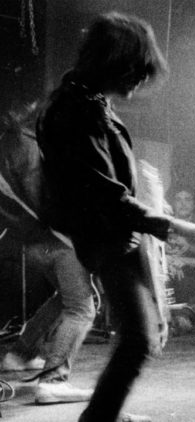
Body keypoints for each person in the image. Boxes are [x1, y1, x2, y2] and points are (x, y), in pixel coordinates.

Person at [36, 12, 195, 422]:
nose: (139, 80)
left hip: (119, 237)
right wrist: (178, 226)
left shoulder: (88, 101)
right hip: (107, 239)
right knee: (137, 340)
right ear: (114, 62)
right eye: (136, 69)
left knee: (143, 335)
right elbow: (105, 195)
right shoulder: (75, 111)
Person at [0, 105, 95, 405]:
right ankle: (54, 381)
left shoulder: (11, 144)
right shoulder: (30, 146)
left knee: (64, 299)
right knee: (82, 308)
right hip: (58, 239)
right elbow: (44, 200)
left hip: (32, 242)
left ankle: (21, 354)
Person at [164, 189, 195, 331]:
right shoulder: (165, 222)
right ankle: (166, 320)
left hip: (191, 277)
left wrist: (184, 258)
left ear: (194, 203)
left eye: (188, 199)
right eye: (179, 199)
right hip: (169, 275)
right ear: (173, 203)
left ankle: (185, 315)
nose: (183, 204)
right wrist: (167, 260)